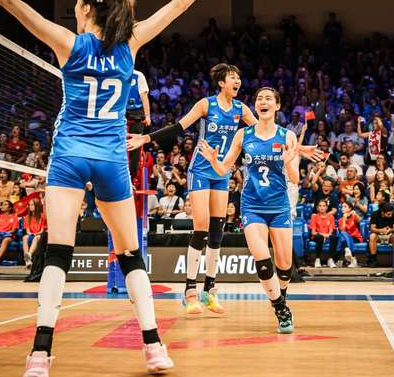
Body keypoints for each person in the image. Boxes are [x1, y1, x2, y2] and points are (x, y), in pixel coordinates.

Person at [0, 0, 233, 377]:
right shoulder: (131, 43)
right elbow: (181, 3)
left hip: (69, 154)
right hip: (109, 158)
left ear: (84, 11)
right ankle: (154, 347)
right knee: (131, 256)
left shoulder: (68, 43)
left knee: (58, 252)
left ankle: (39, 355)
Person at [129, 63, 255, 316]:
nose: (237, 81)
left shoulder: (241, 109)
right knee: (201, 229)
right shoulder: (206, 104)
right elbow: (179, 127)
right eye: (233, 77)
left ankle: (210, 291)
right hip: (199, 169)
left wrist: (289, 143)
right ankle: (190, 293)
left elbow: (261, 131)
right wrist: (146, 138)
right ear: (221, 83)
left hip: (221, 171)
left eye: (239, 77)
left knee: (217, 230)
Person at [198, 87, 302, 334]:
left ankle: (280, 294)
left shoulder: (287, 136)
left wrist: (289, 164)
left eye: (268, 99)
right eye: (259, 99)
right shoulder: (243, 135)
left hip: (278, 206)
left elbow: (296, 179)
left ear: (277, 106)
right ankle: (281, 310)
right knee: (263, 262)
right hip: (252, 205)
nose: (262, 102)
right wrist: (214, 161)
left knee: (284, 266)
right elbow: (224, 170)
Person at [126, 69, 151, 179]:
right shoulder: (117, 72)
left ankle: (131, 175)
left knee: (135, 144)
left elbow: (144, 96)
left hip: (136, 112)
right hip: (119, 111)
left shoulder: (138, 75)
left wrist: (147, 116)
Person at [309, 199, 338, 268]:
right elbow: (313, 232)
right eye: (320, 206)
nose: (322, 207)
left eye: (324, 206)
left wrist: (327, 236)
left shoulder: (331, 217)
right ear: (317, 208)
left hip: (327, 236)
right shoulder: (314, 216)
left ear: (326, 208)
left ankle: (330, 259)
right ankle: (317, 259)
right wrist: (323, 235)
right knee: (320, 237)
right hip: (317, 236)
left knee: (334, 237)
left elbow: (331, 231)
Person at [368, 201, 394, 267]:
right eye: (388, 214)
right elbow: (372, 228)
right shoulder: (375, 214)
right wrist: (380, 230)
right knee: (372, 236)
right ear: (383, 213)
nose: (390, 215)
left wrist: (391, 230)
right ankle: (373, 260)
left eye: (391, 214)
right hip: (379, 234)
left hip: (389, 234)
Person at [23, 197, 47, 269]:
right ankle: (27, 260)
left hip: (40, 235)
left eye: (32, 205)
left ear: (37, 206)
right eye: (29, 205)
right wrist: (31, 234)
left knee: (36, 238)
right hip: (31, 234)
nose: (30, 206)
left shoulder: (42, 216)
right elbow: (27, 231)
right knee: (24, 237)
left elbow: (42, 231)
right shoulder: (27, 217)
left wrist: (35, 234)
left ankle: (29, 255)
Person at [337, 201, 362, 268]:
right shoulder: (340, 220)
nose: (342, 208)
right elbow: (342, 230)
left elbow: (359, 220)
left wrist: (355, 214)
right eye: (342, 207)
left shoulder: (354, 216)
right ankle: (352, 257)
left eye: (345, 207)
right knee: (343, 234)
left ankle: (347, 250)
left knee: (343, 238)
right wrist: (344, 219)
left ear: (350, 208)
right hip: (346, 238)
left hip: (355, 237)